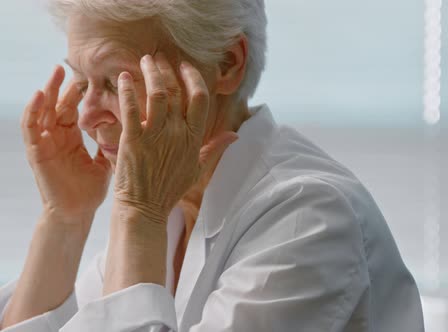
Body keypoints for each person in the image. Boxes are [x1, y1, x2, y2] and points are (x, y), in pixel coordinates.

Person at [0, 1, 424, 331]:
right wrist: (66, 219)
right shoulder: (168, 208)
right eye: (81, 82)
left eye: (115, 82)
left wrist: (138, 213)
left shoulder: (310, 219)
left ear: (226, 63)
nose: (87, 115)